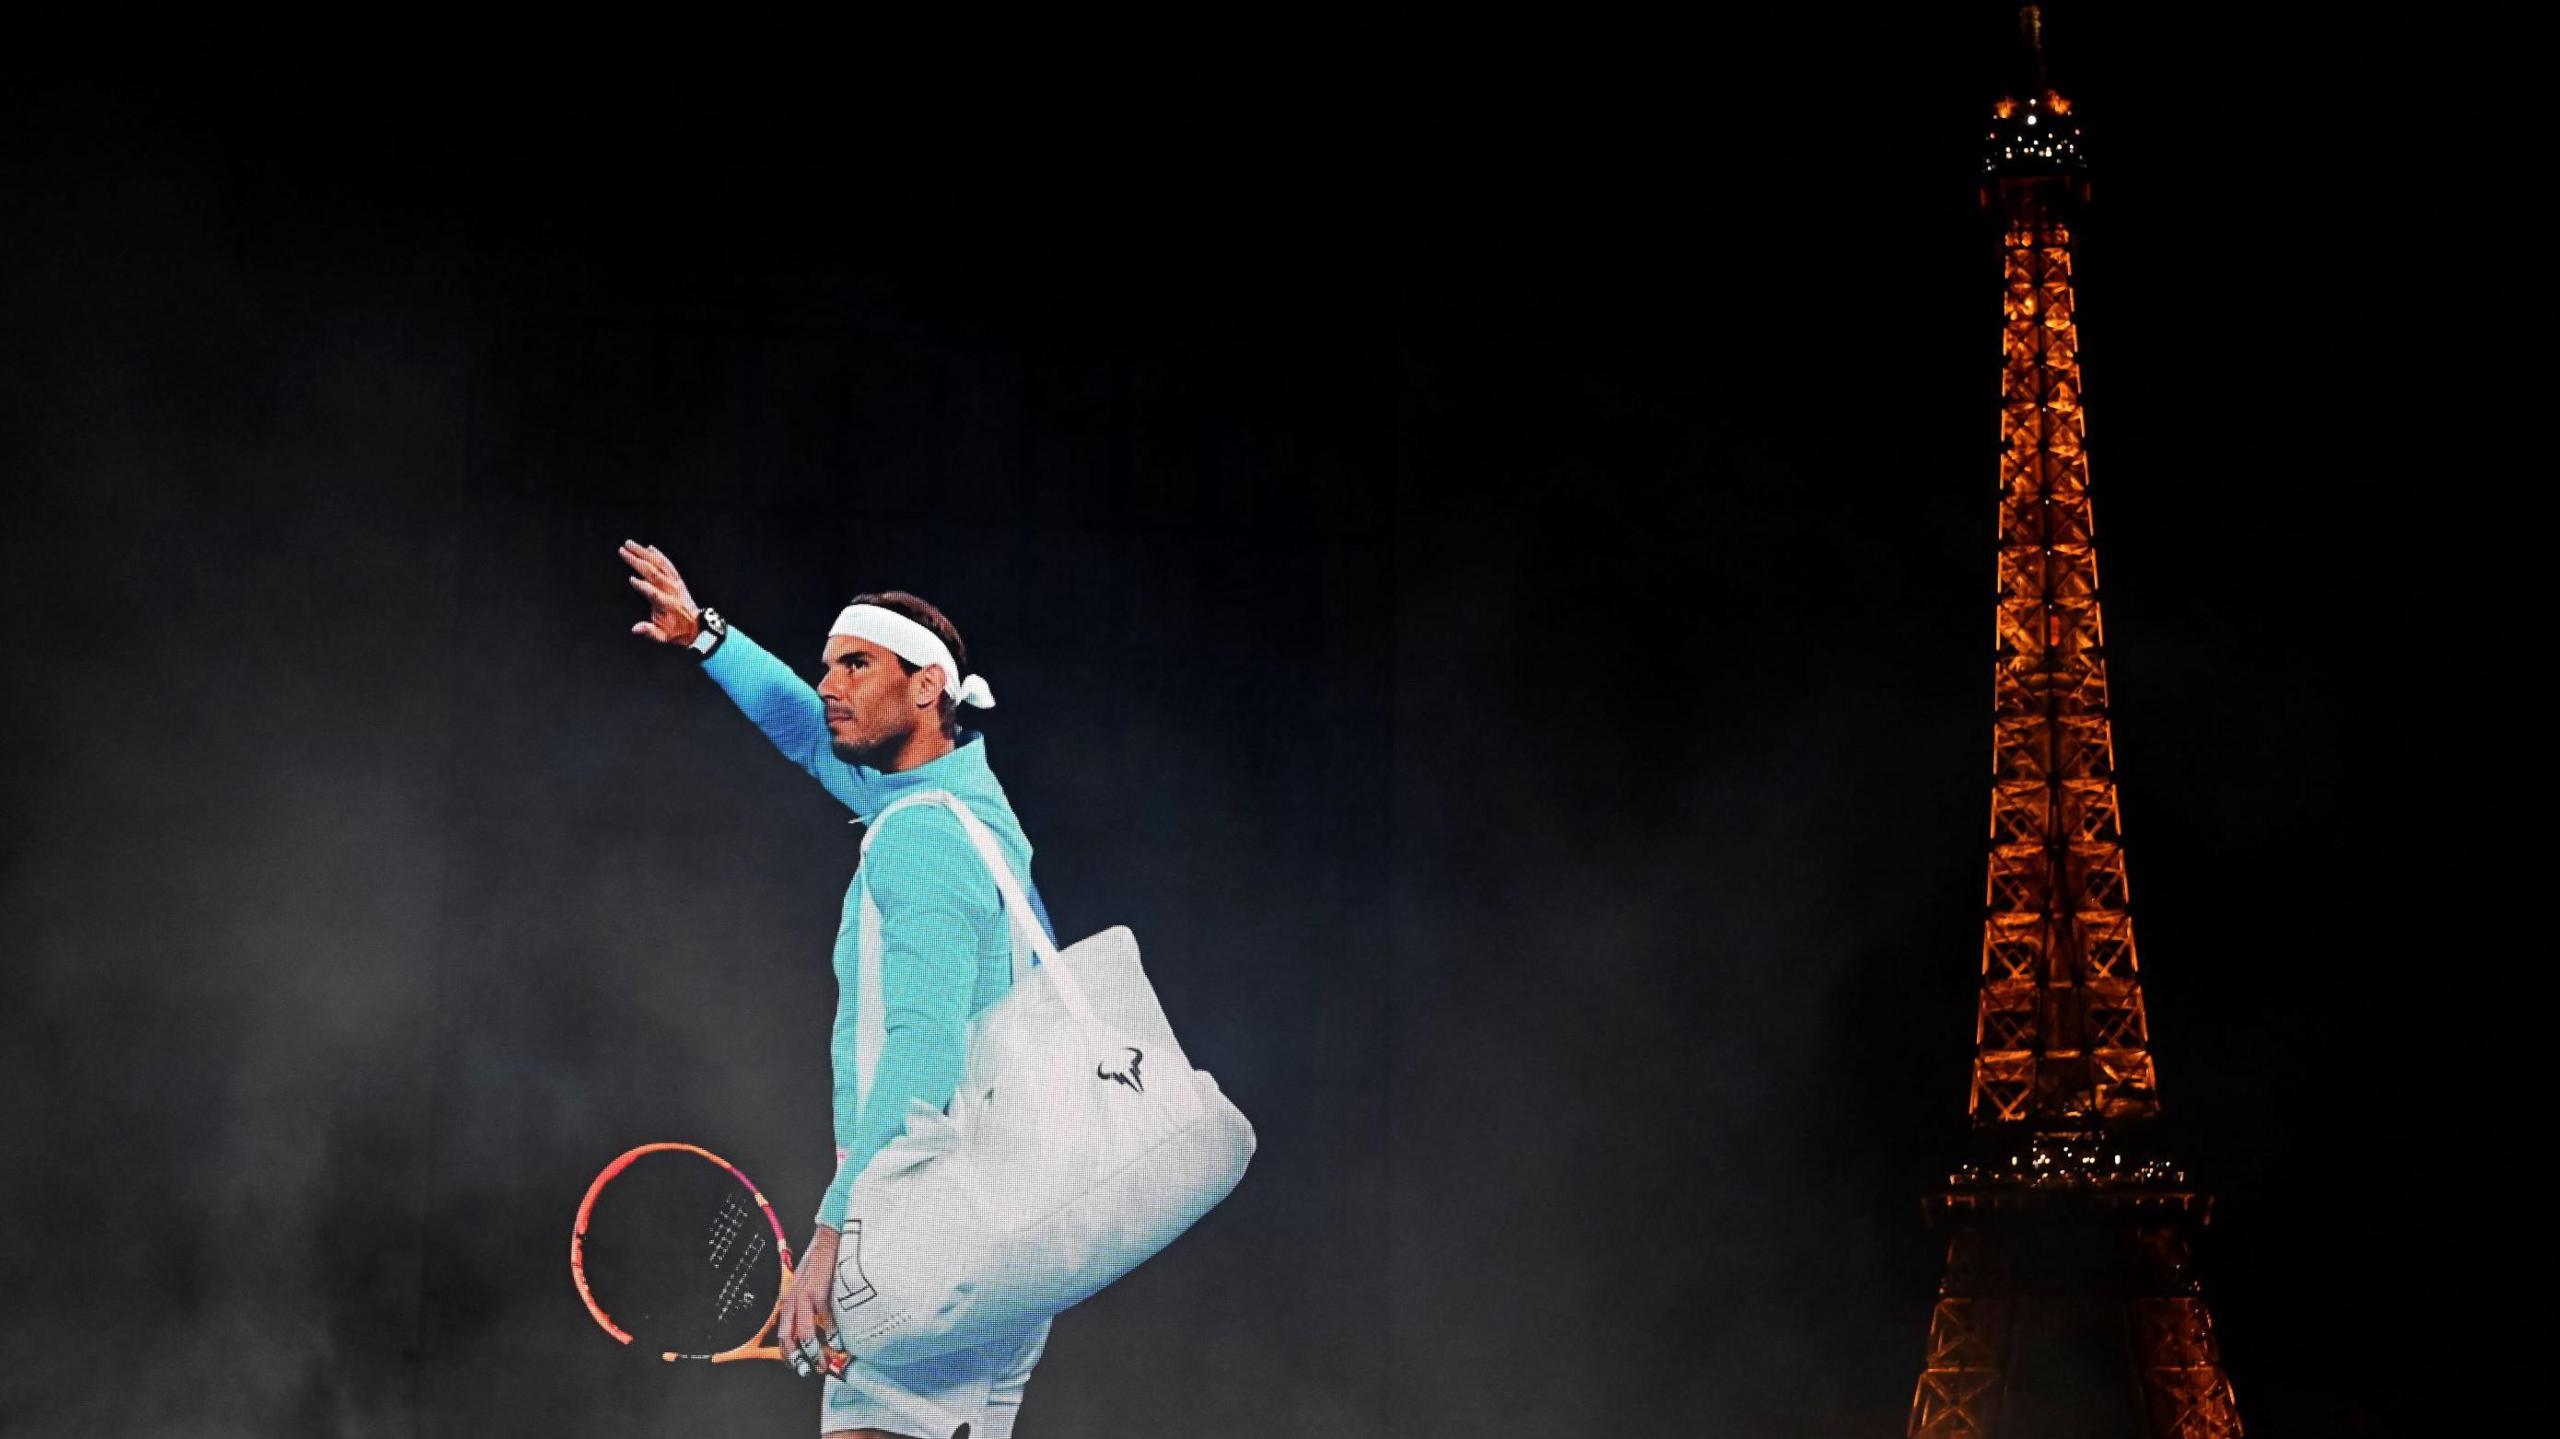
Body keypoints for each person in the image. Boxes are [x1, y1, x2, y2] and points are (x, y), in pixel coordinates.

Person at [620, 540, 1056, 1439]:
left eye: (856, 664)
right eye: (828, 664)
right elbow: (799, 726)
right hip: (995, 1236)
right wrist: (707, 634)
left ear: (927, 685)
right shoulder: (969, 806)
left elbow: (926, 1046)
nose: (829, 683)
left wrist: (832, 1236)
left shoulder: (919, 839)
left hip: (928, 1223)